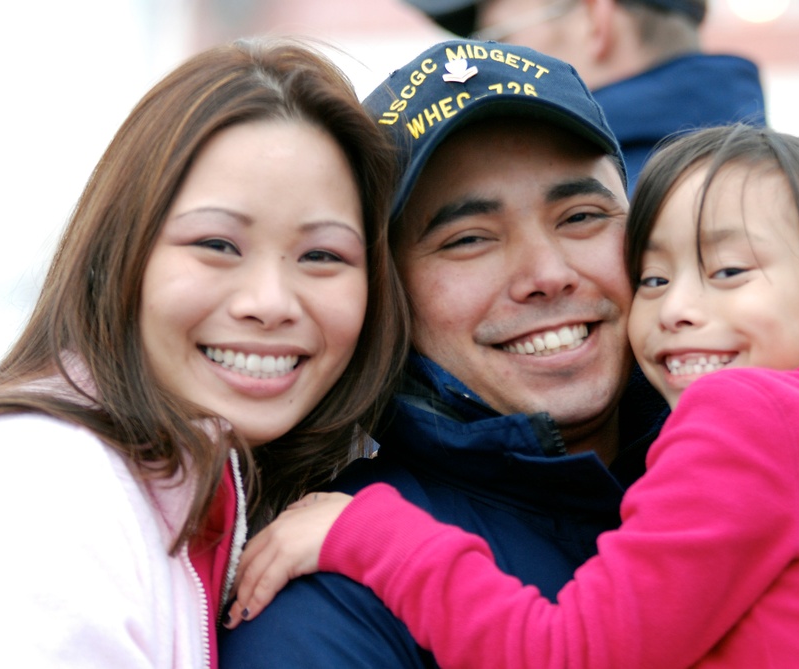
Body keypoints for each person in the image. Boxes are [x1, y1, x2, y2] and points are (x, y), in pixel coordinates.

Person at [230, 124, 799, 668]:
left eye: (584, 217)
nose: (677, 308)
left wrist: (373, 532)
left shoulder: (744, 419)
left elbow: (568, 652)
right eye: (656, 277)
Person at [218, 38, 668, 667]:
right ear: (387, 293)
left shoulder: (775, 465)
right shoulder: (333, 600)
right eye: (469, 239)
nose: (546, 272)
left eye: (581, 216)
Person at [0, 37, 407, 668]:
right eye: (216, 244)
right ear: (119, 254)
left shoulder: (257, 492)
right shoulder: (46, 489)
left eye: (322, 255)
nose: (270, 302)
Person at [402, 0, 766, 192]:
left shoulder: (639, 207)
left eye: (494, 40)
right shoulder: (783, 187)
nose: (476, 66)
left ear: (595, 21)